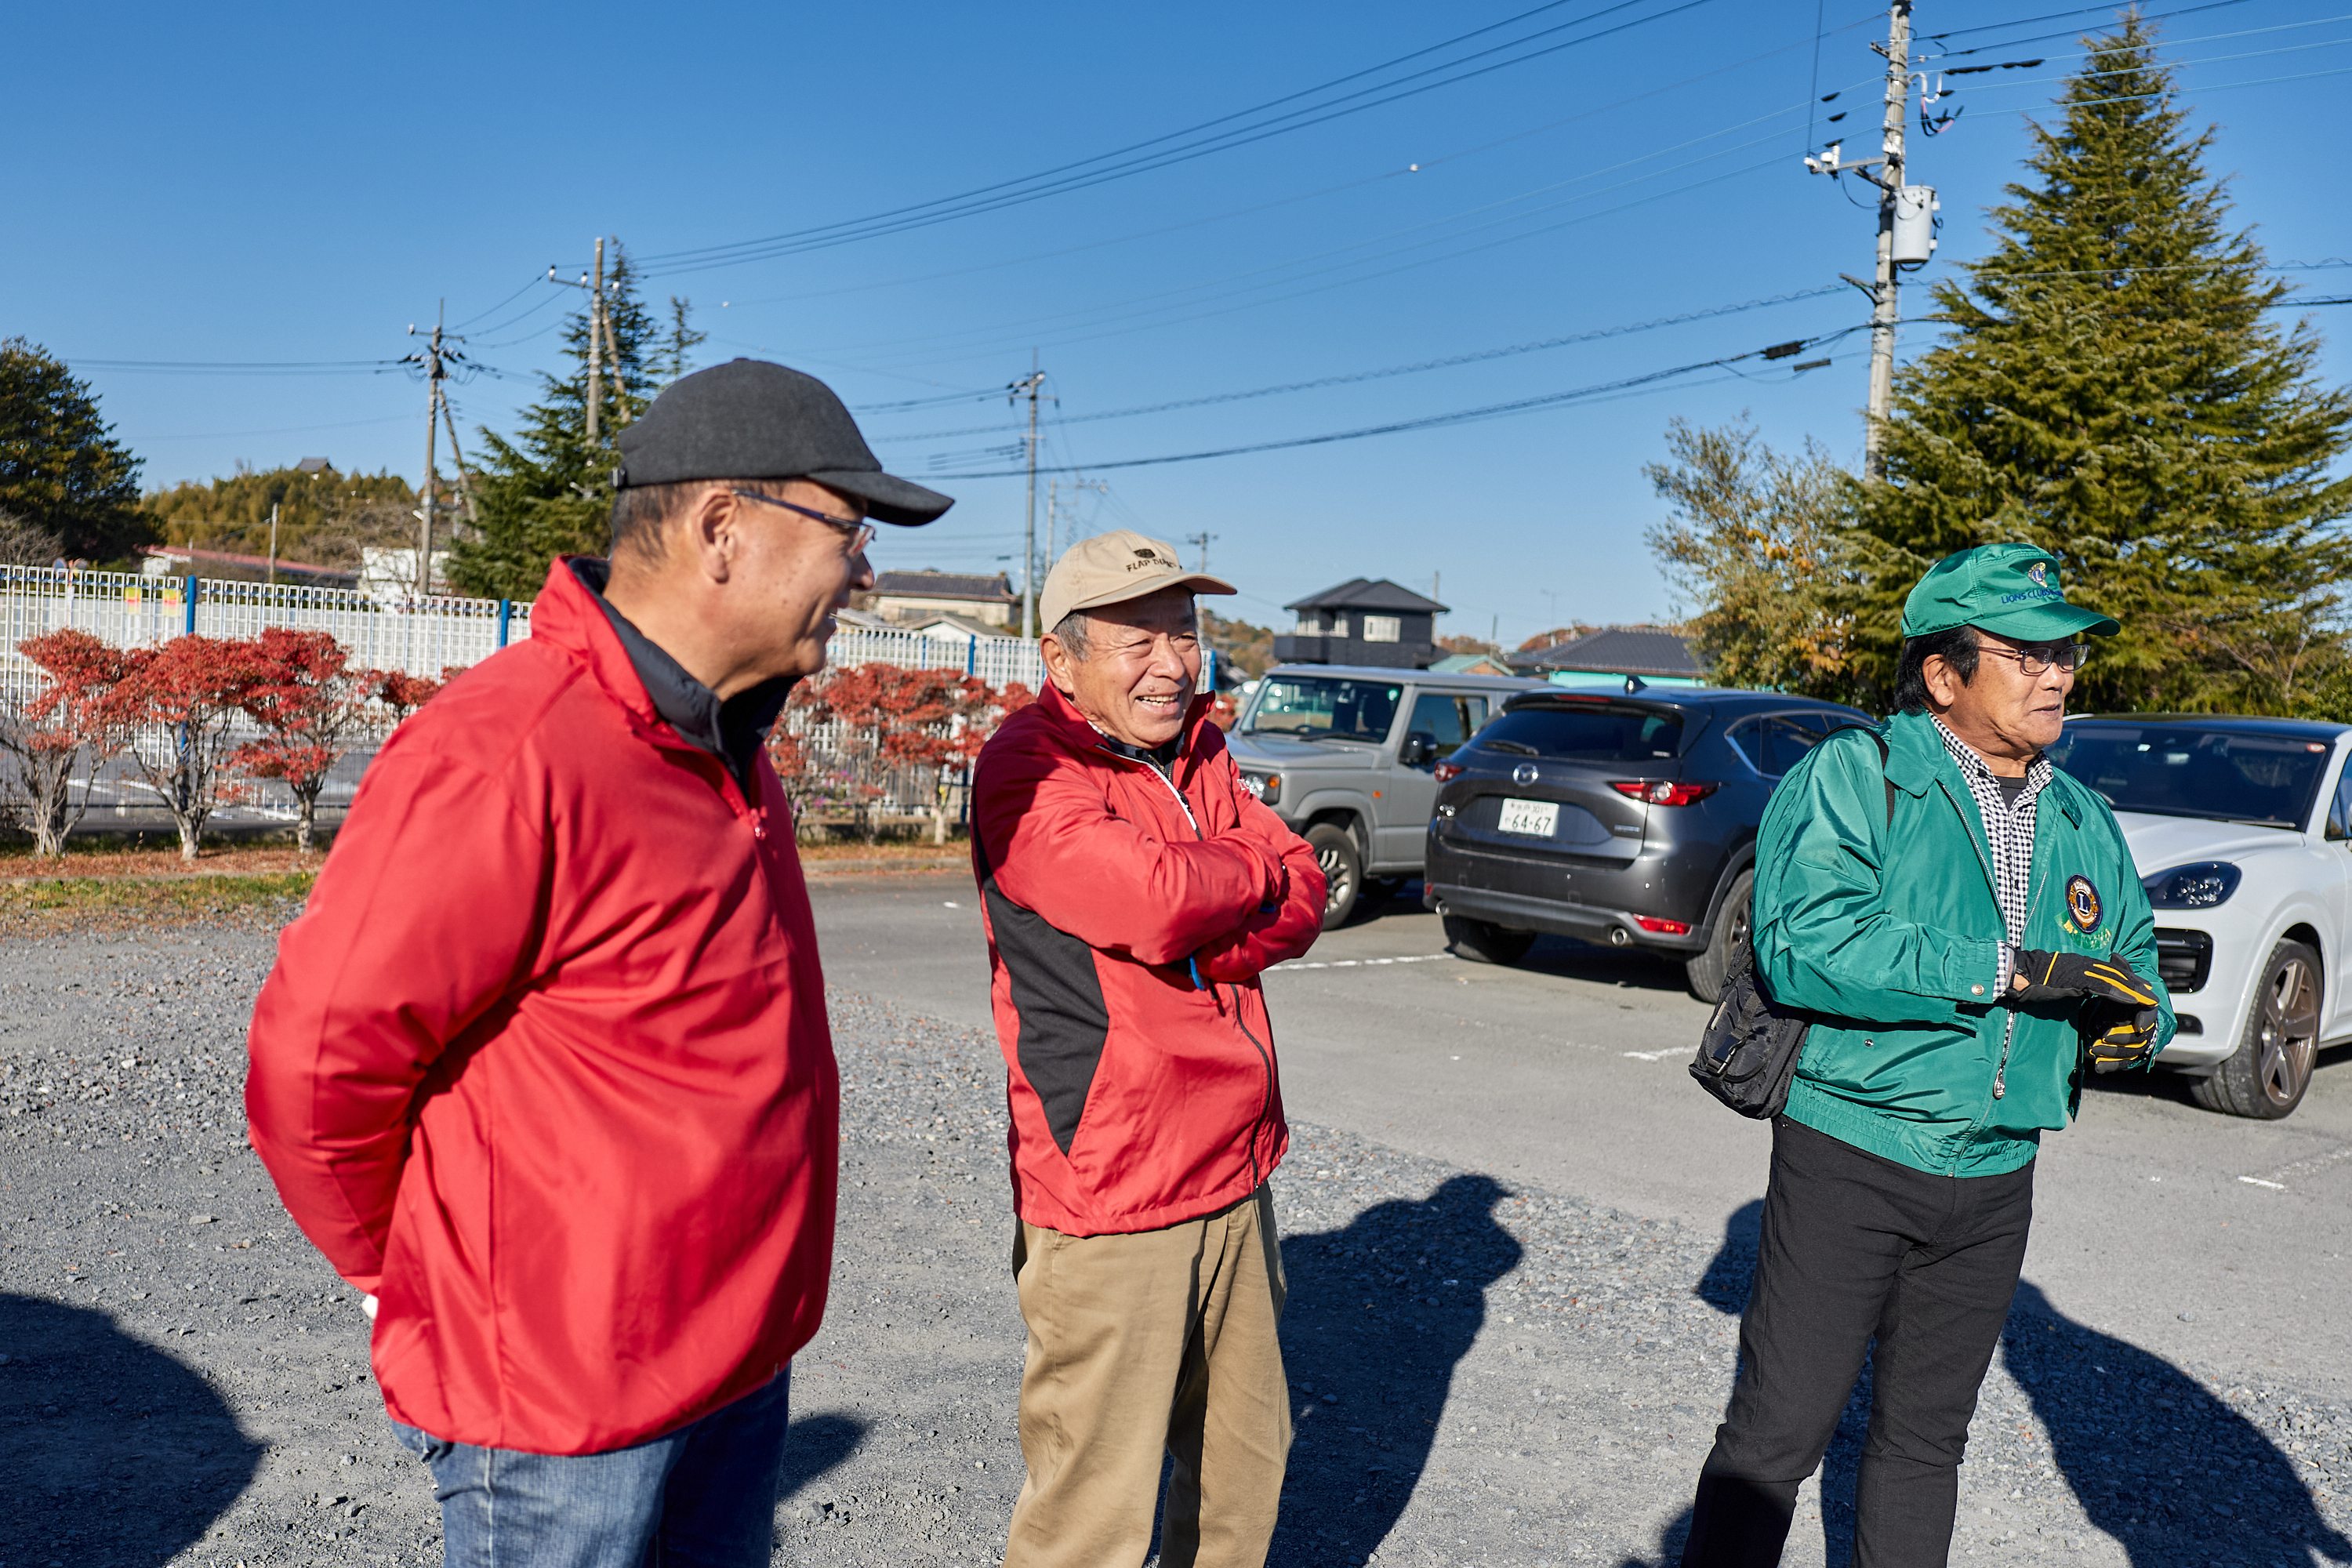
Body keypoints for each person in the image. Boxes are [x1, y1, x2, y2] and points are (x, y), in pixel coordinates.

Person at [245, 359, 952, 1567]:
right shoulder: (511, 748)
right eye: (849, 530)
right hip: (562, 1413)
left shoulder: (730, 744)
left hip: (733, 1367)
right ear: (723, 528)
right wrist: (405, 1273)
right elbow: (314, 1070)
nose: (867, 572)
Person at [1680, 543, 2172, 1567]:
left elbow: (2136, 966)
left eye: (2067, 652)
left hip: (1998, 1174)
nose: (2056, 673)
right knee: (1776, 1439)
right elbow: (1808, 945)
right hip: (1849, 1155)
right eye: (2025, 652)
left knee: (1924, 1446)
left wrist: (2136, 1025)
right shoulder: (1856, 778)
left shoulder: (2083, 815)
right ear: (1944, 675)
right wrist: (2007, 969)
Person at [970, 529, 1327, 1568]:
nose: (1172, 663)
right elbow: (1157, 899)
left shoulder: (1203, 754)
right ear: (1061, 659)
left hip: (1234, 1170)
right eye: (1138, 640)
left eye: (1184, 634)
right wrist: (1222, 884)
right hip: (1113, 1185)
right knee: (1093, 1513)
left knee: (1240, 1477)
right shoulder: (1027, 772)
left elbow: (1299, 888)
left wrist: (1207, 922)